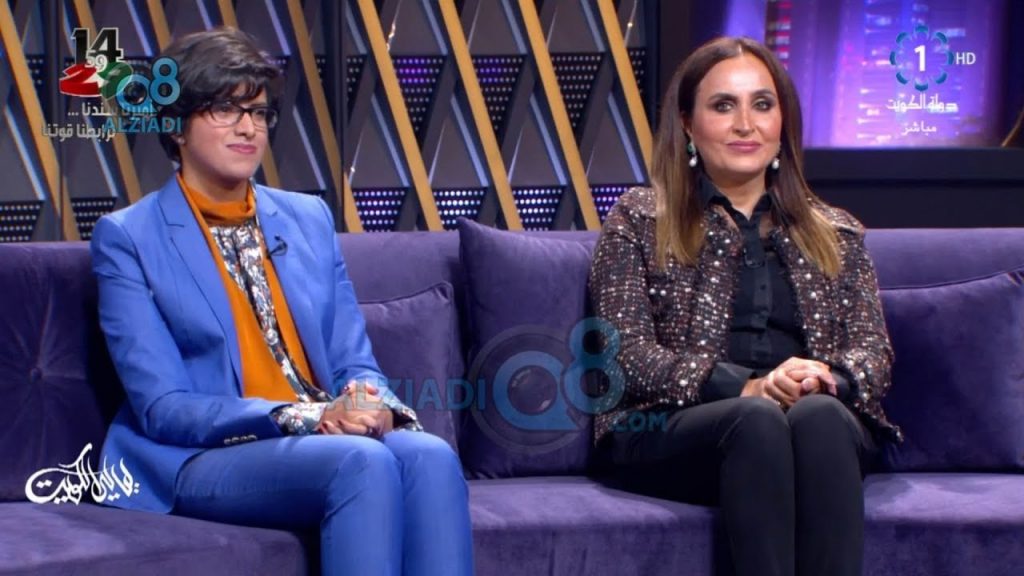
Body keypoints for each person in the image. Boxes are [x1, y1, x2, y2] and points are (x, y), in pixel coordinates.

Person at [90, 27, 473, 576]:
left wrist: (369, 404)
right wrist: (307, 417)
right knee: (360, 462)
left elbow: (353, 360)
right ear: (175, 125)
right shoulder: (128, 237)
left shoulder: (307, 218)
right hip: (200, 454)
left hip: (323, 434)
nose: (248, 127)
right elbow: (163, 407)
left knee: (430, 456)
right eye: (225, 109)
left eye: (259, 112)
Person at [589, 36, 901, 576]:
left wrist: (823, 380)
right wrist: (745, 387)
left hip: (814, 426)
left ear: (782, 123)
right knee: (756, 419)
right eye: (722, 106)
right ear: (687, 124)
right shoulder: (640, 220)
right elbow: (625, 354)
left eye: (762, 104)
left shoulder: (837, 231)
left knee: (820, 415)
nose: (745, 124)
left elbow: (874, 351)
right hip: (674, 427)